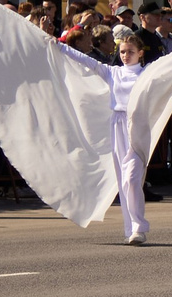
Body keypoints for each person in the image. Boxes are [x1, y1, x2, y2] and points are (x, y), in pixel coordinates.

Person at [54, 25, 159, 244]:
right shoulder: (113, 73)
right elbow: (87, 62)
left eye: (130, 51)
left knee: (132, 178)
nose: (125, 55)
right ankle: (131, 229)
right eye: (122, 52)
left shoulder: (147, 73)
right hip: (118, 124)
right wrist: (61, 47)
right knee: (124, 179)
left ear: (140, 53)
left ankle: (139, 225)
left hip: (138, 126)